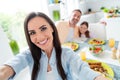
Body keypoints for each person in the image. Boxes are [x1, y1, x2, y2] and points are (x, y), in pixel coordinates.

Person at [0, 12, 109, 80]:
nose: (40, 37)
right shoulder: (28, 54)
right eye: (32, 33)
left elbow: (83, 70)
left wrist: (99, 77)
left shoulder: (67, 53)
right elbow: (6, 70)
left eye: (43, 28)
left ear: (52, 28)